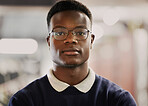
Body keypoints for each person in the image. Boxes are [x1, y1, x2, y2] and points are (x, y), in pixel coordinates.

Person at [9, 0, 137, 106]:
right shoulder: (24, 101)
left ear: (91, 40)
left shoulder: (118, 101)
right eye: (60, 33)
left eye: (80, 33)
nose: (71, 39)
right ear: (49, 41)